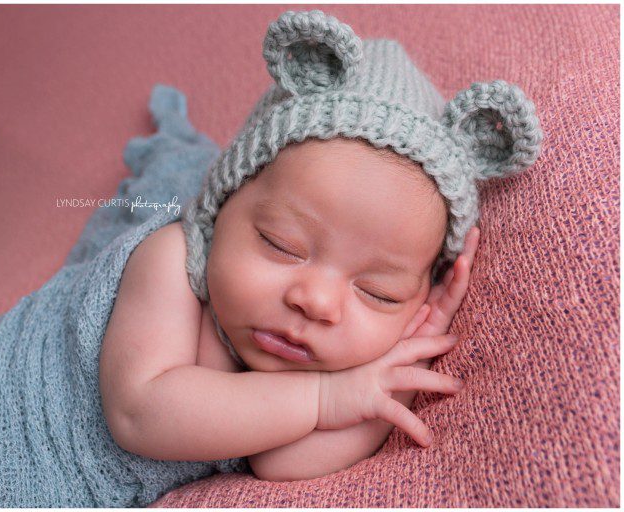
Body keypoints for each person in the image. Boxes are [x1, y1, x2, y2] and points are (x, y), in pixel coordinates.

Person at [98, 9, 542, 482]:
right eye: (281, 245)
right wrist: (324, 400)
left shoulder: (322, 358)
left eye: (379, 292)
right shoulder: (170, 260)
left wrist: (407, 357)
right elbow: (139, 414)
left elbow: (284, 464)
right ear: (221, 203)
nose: (317, 302)